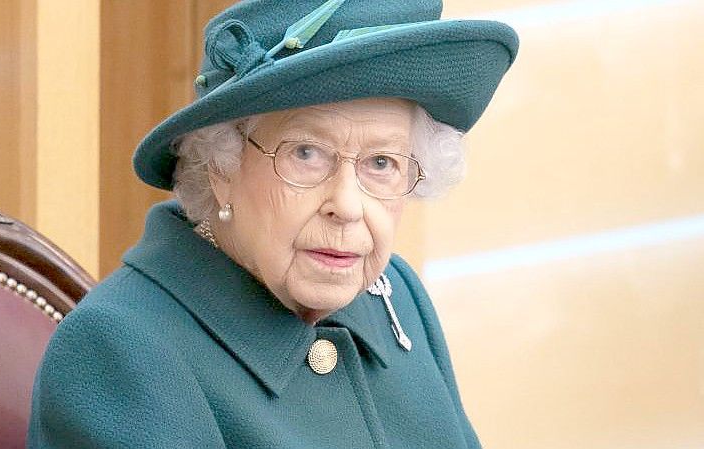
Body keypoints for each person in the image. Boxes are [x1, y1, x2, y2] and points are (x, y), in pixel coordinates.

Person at [28, 0, 518, 448]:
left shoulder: (397, 297)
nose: (347, 206)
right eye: (306, 154)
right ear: (221, 165)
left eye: (382, 163)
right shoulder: (120, 349)